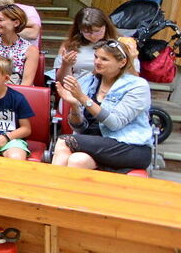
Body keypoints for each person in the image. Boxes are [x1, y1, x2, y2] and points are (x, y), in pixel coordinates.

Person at [52, 39, 153, 172]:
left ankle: (49, 184)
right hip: (97, 143)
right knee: (78, 160)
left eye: (104, 59)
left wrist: (82, 98)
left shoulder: (137, 86)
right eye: (96, 57)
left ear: (122, 63)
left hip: (130, 146)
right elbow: (80, 128)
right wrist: (74, 105)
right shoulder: (88, 80)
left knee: (64, 141)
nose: (97, 62)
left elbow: (115, 123)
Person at [55, 7, 135, 81]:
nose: (93, 36)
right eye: (86, 32)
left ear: (106, 26)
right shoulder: (70, 45)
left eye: (97, 31)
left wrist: (131, 59)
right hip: (78, 87)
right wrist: (66, 65)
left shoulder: (121, 44)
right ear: (79, 30)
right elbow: (60, 81)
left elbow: (134, 80)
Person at [0, 4, 38, 86]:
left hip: (17, 91)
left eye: (0, 20)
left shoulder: (30, 50)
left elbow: (26, 83)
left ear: (16, 23)